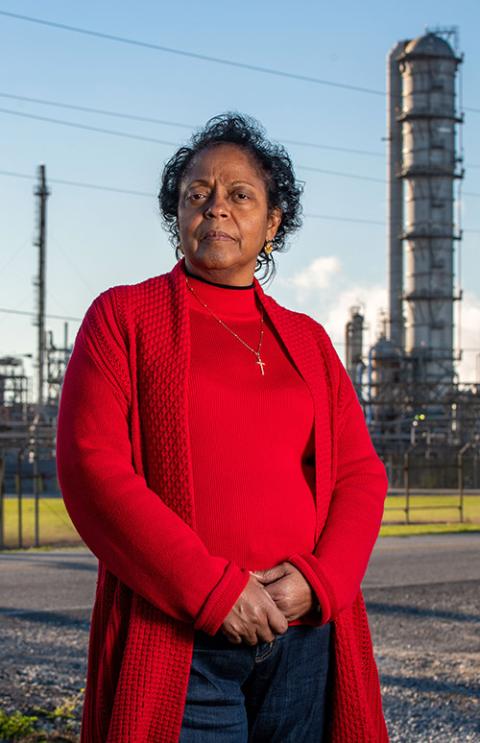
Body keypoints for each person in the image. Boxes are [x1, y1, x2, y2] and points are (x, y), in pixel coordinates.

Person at [56, 113, 389, 742]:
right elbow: (91, 467)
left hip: (304, 636)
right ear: (176, 216)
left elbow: (358, 474)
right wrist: (213, 592)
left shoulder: (309, 341)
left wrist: (320, 585)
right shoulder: (124, 318)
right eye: (197, 194)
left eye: (240, 195)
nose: (217, 209)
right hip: (184, 642)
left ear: (272, 223)